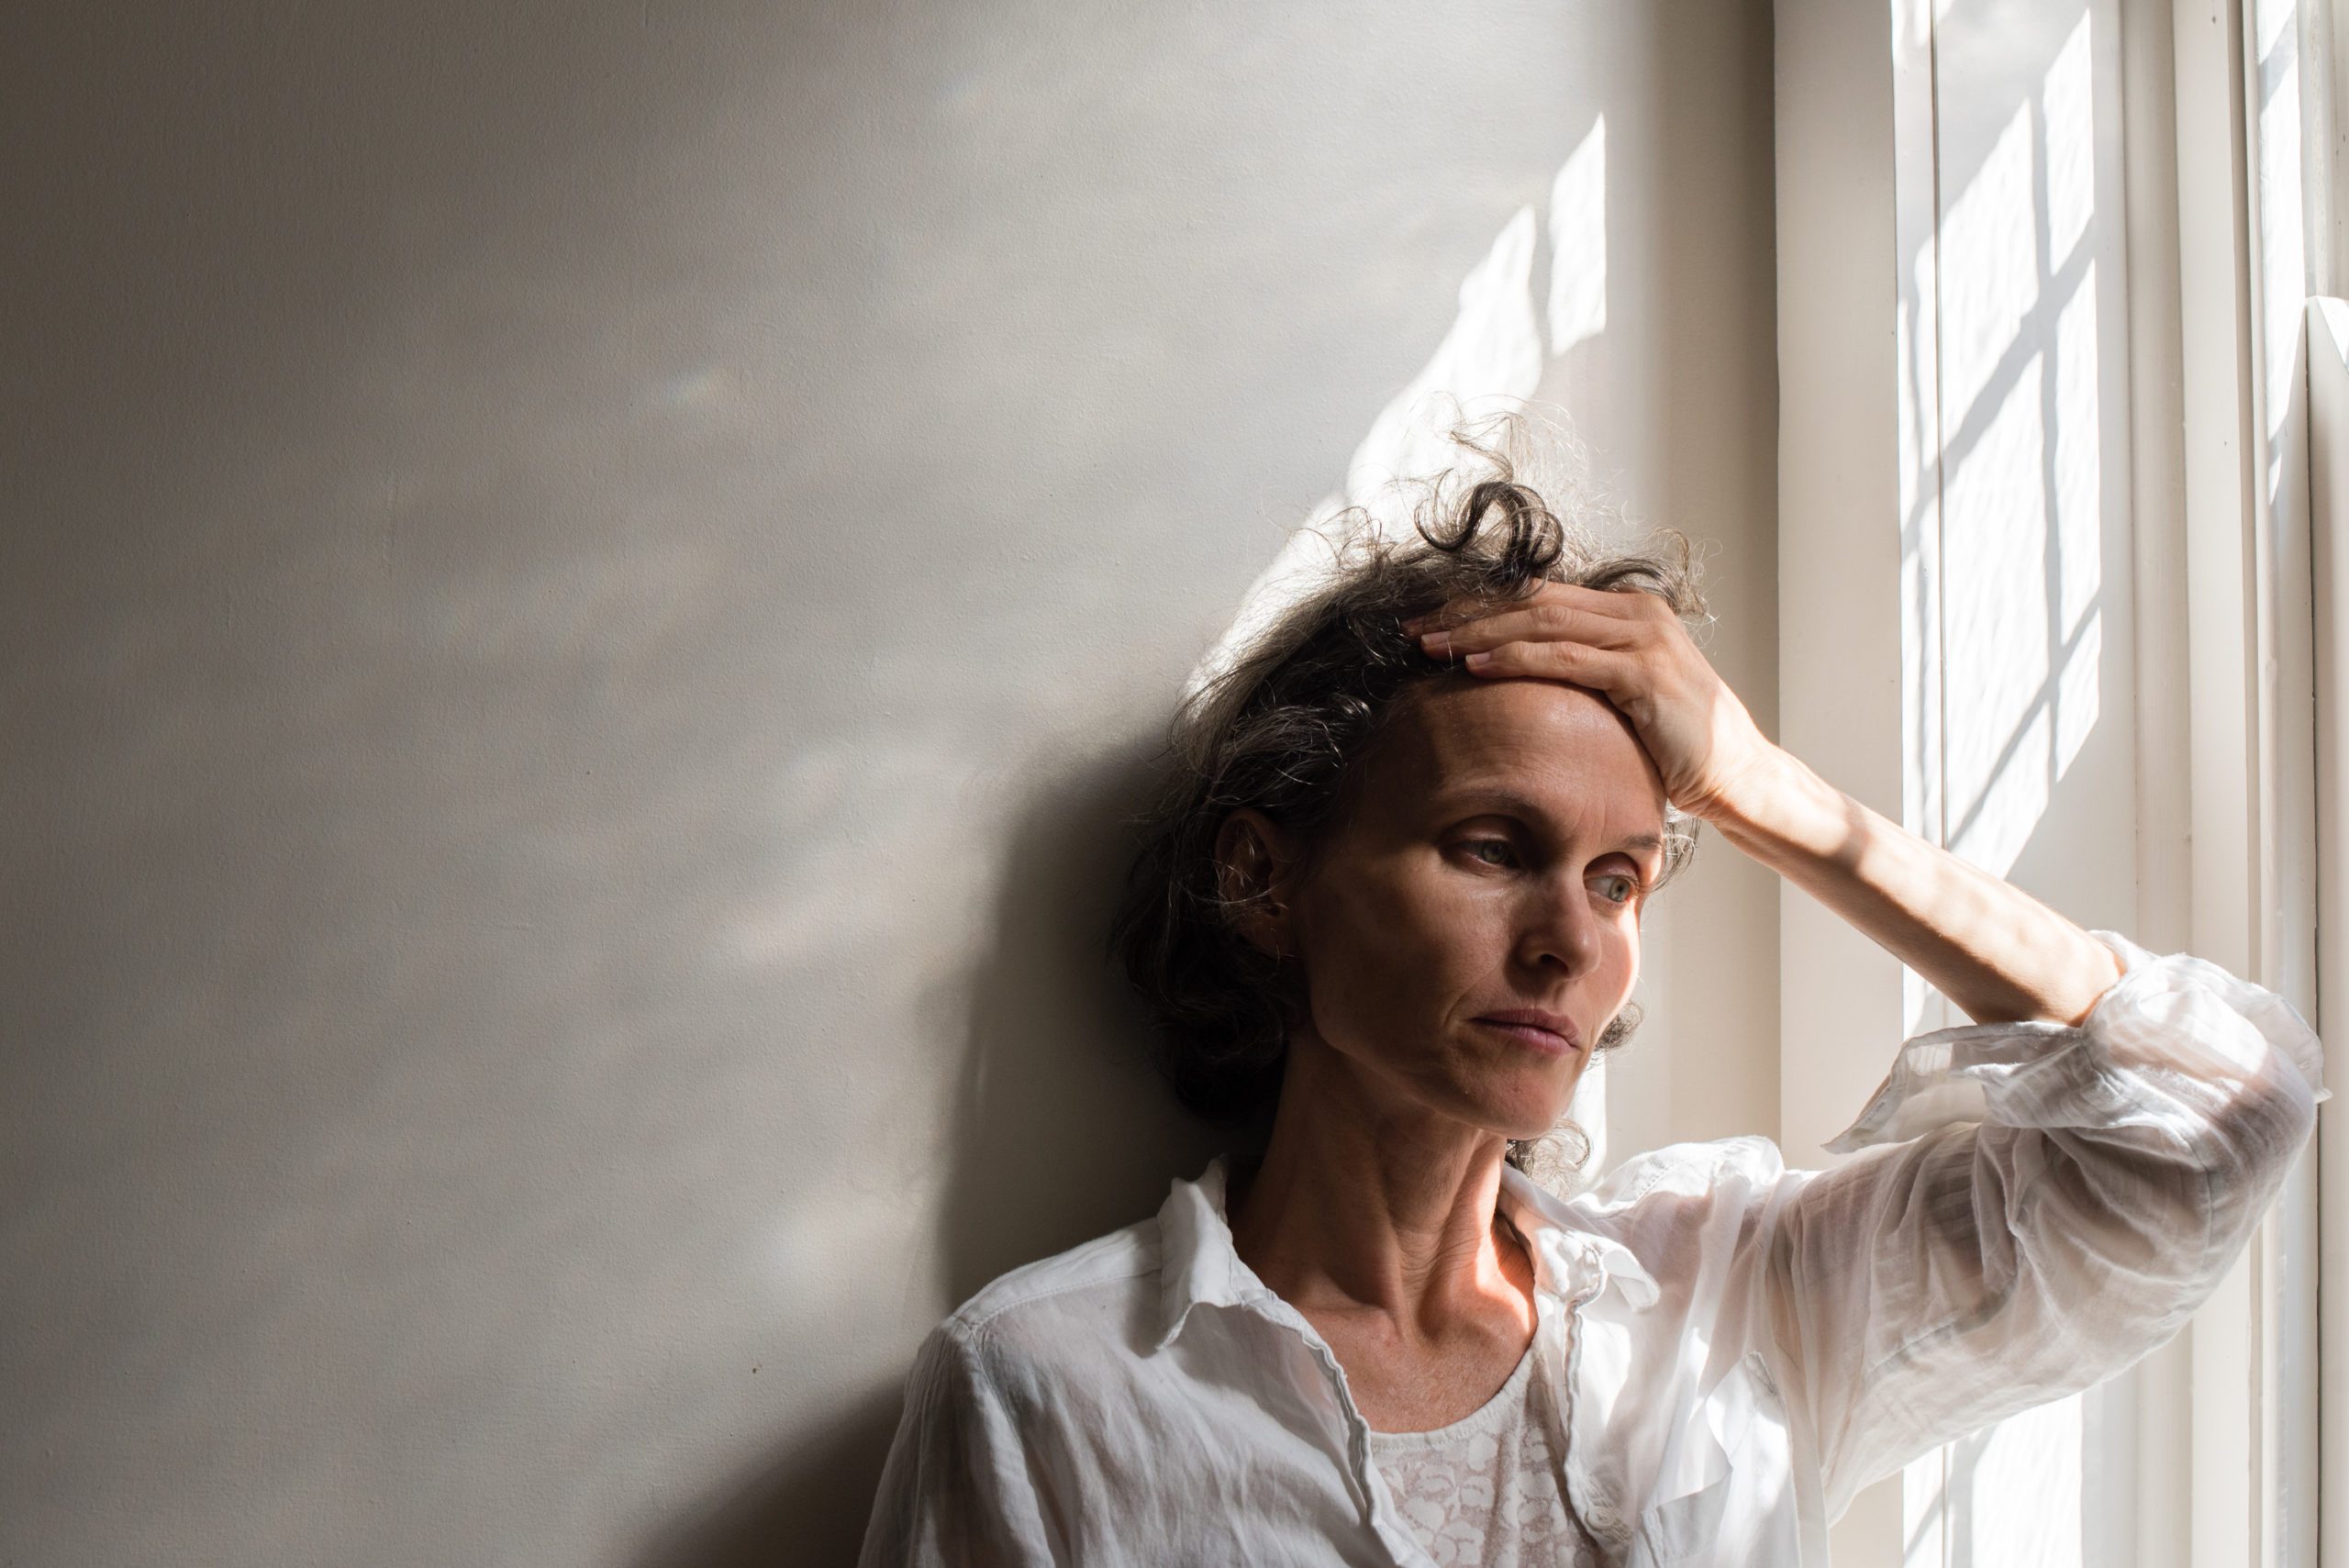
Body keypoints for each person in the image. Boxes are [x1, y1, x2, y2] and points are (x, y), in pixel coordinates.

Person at [855, 436, 2329, 1566]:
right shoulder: (1045, 1385)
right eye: (1495, 848)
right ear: (1267, 880)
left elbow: (2221, 1118)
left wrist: (1768, 792)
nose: (1572, 939)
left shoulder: (1730, 1299)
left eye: (1623, 877)